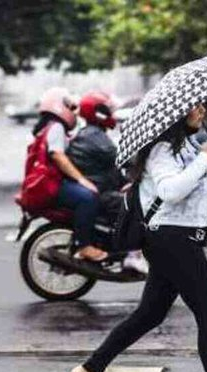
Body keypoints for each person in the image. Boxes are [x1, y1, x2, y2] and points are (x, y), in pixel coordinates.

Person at [70, 103, 207, 372]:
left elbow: (198, 190)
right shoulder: (161, 150)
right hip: (170, 238)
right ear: (178, 115)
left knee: (151, 313)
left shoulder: (186, 145)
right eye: (196, 108)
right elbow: (171, 191)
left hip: (179, 237)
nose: (203, 111)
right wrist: (202, 160)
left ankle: (90, 370)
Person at [66, 91, 147, 273]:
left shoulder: (91, 133)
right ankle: (132, 256)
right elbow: (121, 158)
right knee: (137, 205)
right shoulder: (94, 136)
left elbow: (111, 166)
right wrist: (144, 161)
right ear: (99, 113)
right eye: (108, 110)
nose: (112, 114)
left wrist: (127, 180)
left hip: (98, 187)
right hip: (101, 192)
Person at [35, 87, 107, 262]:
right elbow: (58, 156)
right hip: (51, 184)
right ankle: (84, 246)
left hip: (50, 181)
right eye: (70, 107)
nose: (74, 112)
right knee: (88, 197)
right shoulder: (56, 127)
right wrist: (81, 180)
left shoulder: (50, 126)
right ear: (59, 106)